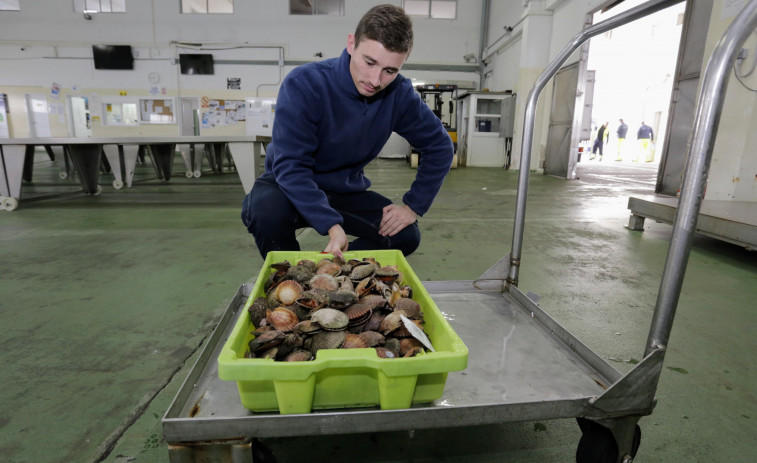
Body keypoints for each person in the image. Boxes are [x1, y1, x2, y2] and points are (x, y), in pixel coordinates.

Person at [241, 4, 453, 259]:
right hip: (288, 185)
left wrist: (413, 206)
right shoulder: (305, 84)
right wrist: (331, 225)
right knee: (265, 211)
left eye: (390, 70)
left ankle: (335, 269)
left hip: (343, 191)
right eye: (369, 62)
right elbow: (291, 166)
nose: (375, 80)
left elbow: (440, 147)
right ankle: (289, 277)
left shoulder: (399, 94)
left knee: (404, 235)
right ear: (351, 44)